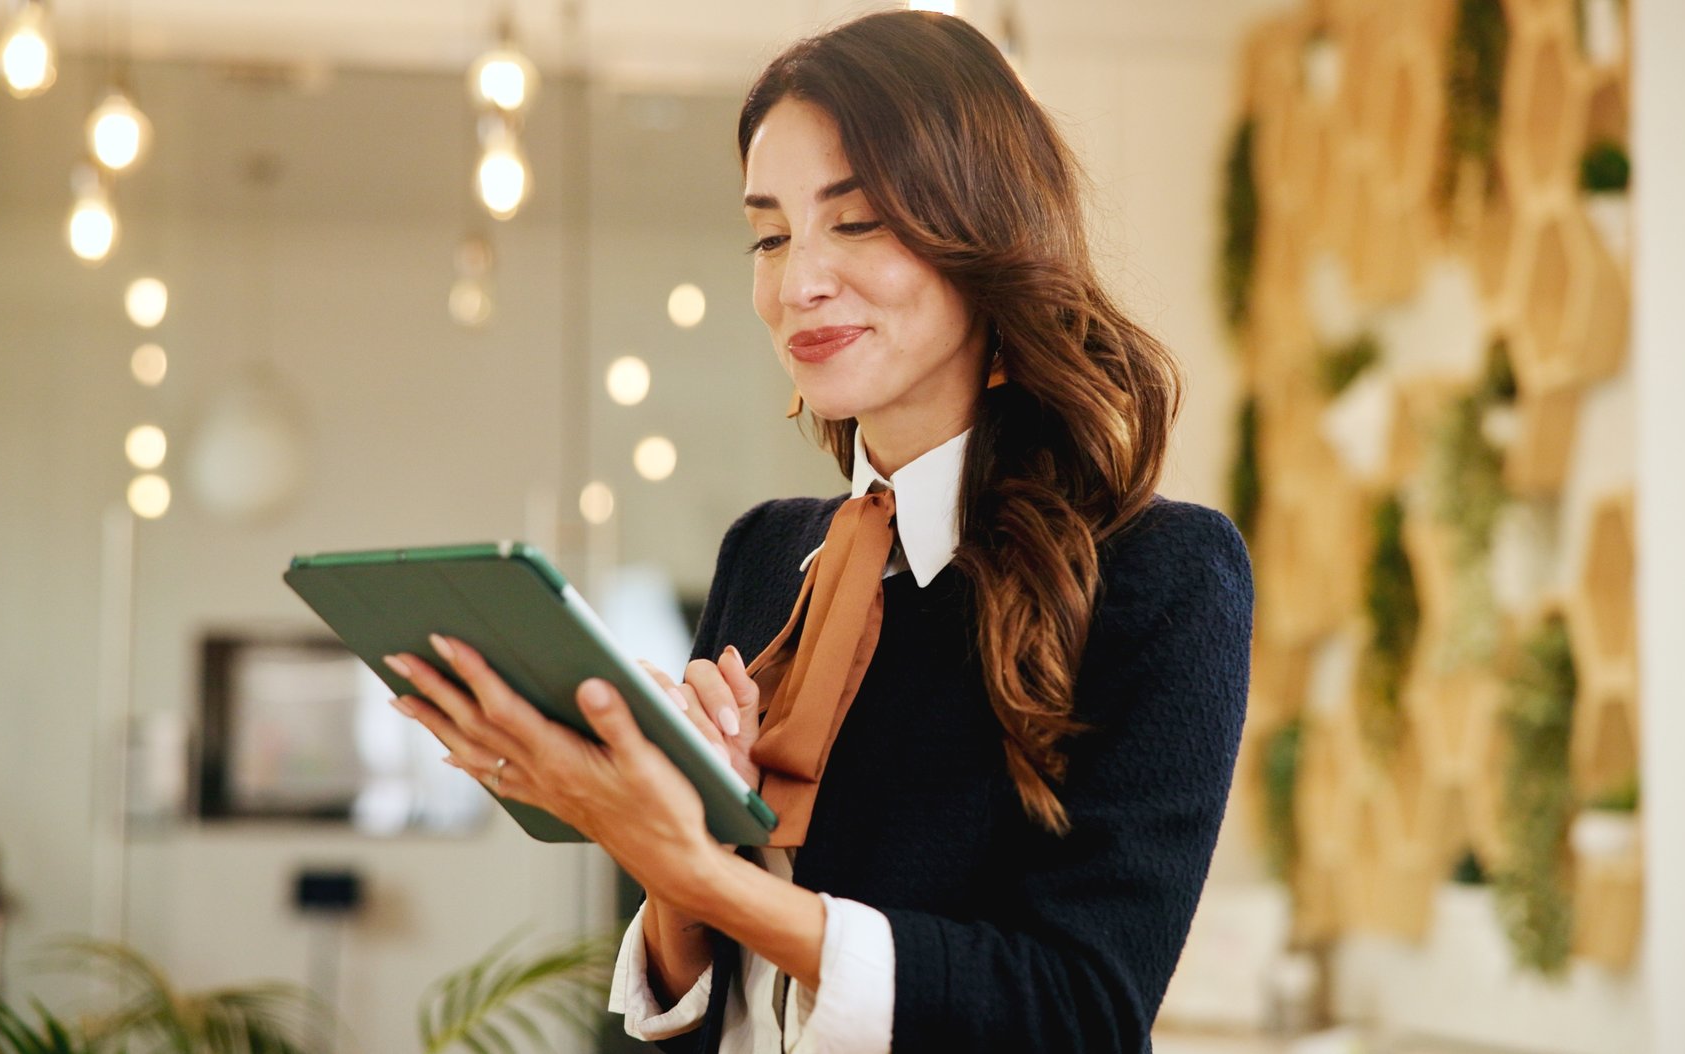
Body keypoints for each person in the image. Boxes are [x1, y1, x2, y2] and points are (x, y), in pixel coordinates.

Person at [379, 10, 1253, 1052]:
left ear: (985, 238)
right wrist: (675, 870)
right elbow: (712, 1000)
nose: (797, 282)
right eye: (768, 233)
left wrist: (699, 869)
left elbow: (1078, 1011)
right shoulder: (765, 552)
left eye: (857, 220)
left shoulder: (1160, 573)